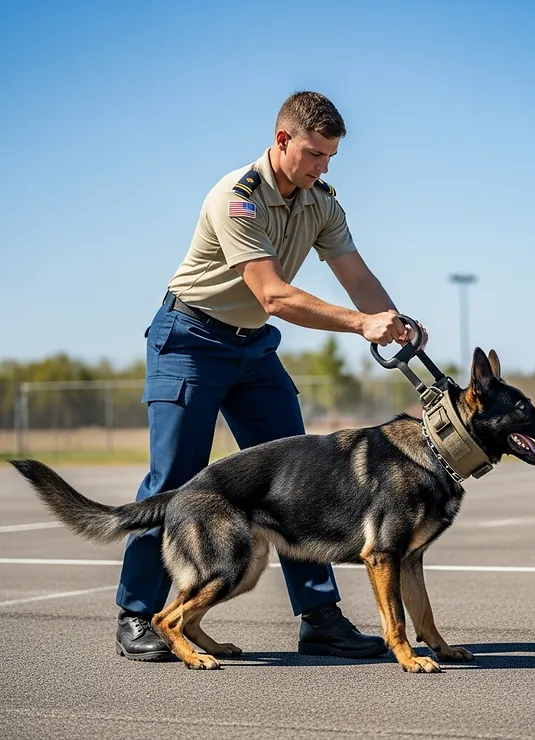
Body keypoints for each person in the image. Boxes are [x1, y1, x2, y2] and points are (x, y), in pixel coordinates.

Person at [115, 90, 426, 662]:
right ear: (283, 141)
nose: (322, 167)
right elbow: (274, 294)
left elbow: (356, 276)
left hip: (253, 349)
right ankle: (138, 616)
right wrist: (362, 325)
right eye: (314, 154)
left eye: (330, 158)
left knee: (301, 477)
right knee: (175, 479)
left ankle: (320, 620)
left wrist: (396, 321)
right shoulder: (236, 199)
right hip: (189, 340)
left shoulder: (321, 200)